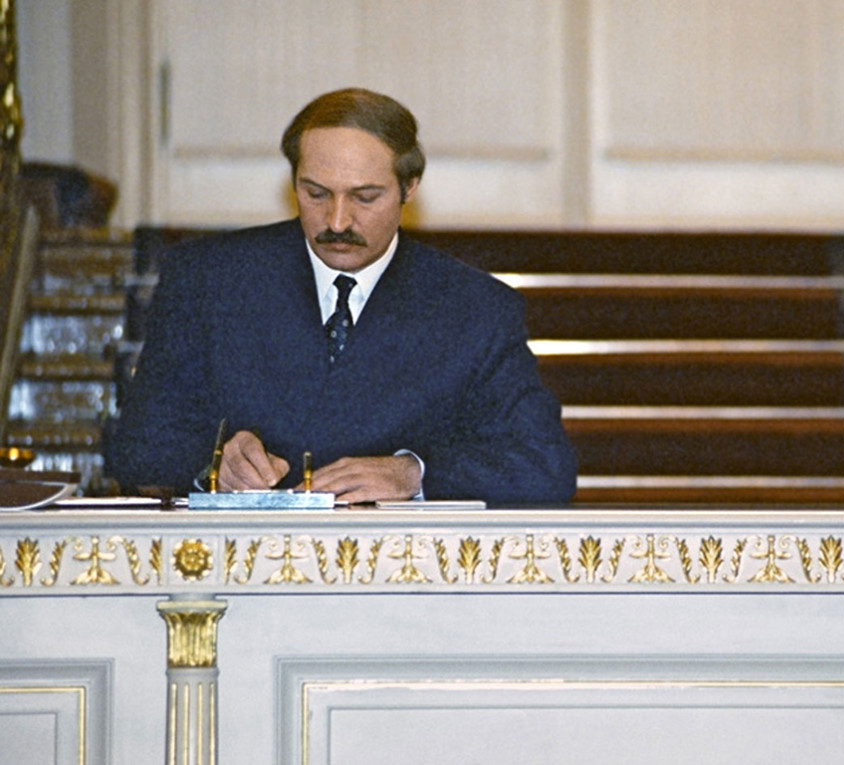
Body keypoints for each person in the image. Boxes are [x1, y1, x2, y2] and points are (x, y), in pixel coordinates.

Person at [105, 88, 577, 505]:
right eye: (315, 193)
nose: (336, 221)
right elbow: (137, 448)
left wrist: (413, 473)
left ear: (409, 187)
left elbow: (542, 465)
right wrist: (214, 464)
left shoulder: (474, 308)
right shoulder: (208, 281)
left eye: (364, 198)